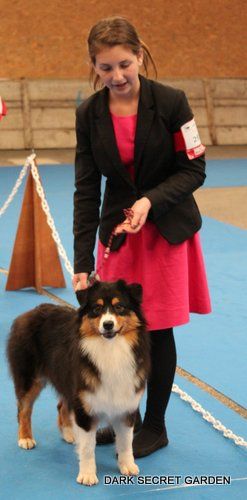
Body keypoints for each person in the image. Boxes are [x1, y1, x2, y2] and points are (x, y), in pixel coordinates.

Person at [72, 16, 211, 458]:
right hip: (119, 236)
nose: (116, 76)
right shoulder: (88, 114)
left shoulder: (172, 101)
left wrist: (151, 201)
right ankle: (120, 417)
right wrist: (81, 262)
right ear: (93, 66)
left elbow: (194, 169)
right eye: (106, 68)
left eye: (124, 65)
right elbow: (86, 188)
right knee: (112, 332)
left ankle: (155, 423)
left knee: (159, 330)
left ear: (139, 54)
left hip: (166, 232)